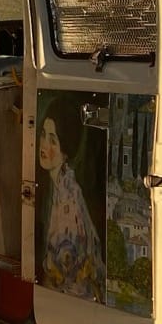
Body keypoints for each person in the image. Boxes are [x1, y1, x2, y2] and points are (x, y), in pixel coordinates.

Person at [37, 95, 105, 302]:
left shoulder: (69, 197)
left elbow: (70, 271)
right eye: (43, 135)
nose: (44, 146)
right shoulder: (58, 185)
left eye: (53, 140)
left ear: (66, 150)